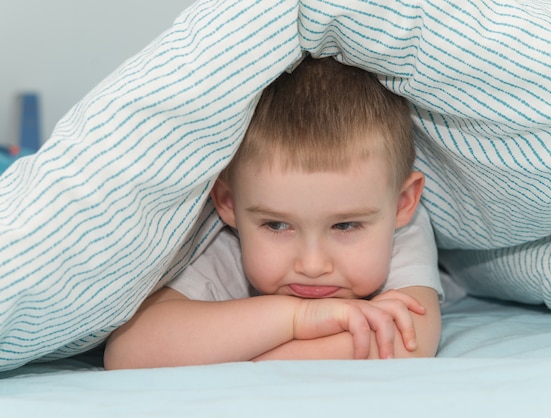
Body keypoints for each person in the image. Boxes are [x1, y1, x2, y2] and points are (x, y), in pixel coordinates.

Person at [103, 55, 442, 370]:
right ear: (228, 203)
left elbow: (408, 344)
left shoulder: (400, 228)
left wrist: (243, 355)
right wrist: (300, 318)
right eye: (277, 224)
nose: (311, 266)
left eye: (345, 225)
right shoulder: (224, 244)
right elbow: (128, 351)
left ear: (403, 204)